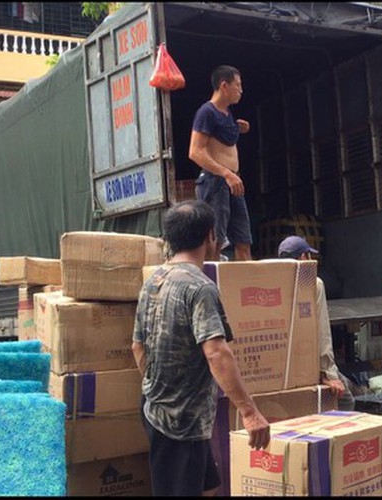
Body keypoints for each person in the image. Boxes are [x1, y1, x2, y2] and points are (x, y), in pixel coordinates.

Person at [131, 200, 270, 496]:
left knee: (209, 487)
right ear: (210, 235)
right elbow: (216, 352)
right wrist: (249, 411)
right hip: (181, 422)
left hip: (156, 410)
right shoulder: (200, 287)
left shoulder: (153, 281)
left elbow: (137, 347)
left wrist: (157, 389)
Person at [277, 235, 355, 411]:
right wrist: (327, 373)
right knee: (346, 401)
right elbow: (321, 330)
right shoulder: (312, 283)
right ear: (304, 257)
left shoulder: (276, 283)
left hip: (285, 365)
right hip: (309, 362)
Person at [189, 65, 253, 261]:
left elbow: (223, 143)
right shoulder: (206, 112)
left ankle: (247, 287)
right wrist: (226, 173)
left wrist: (239, 129)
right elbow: (195, 152)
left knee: (243, 240)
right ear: (224, 86)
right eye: (238, 85)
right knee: (215, 240)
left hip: (234, 182)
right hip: (215, 182)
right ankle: (211, 288)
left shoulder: (227, 114)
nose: (241, 90)